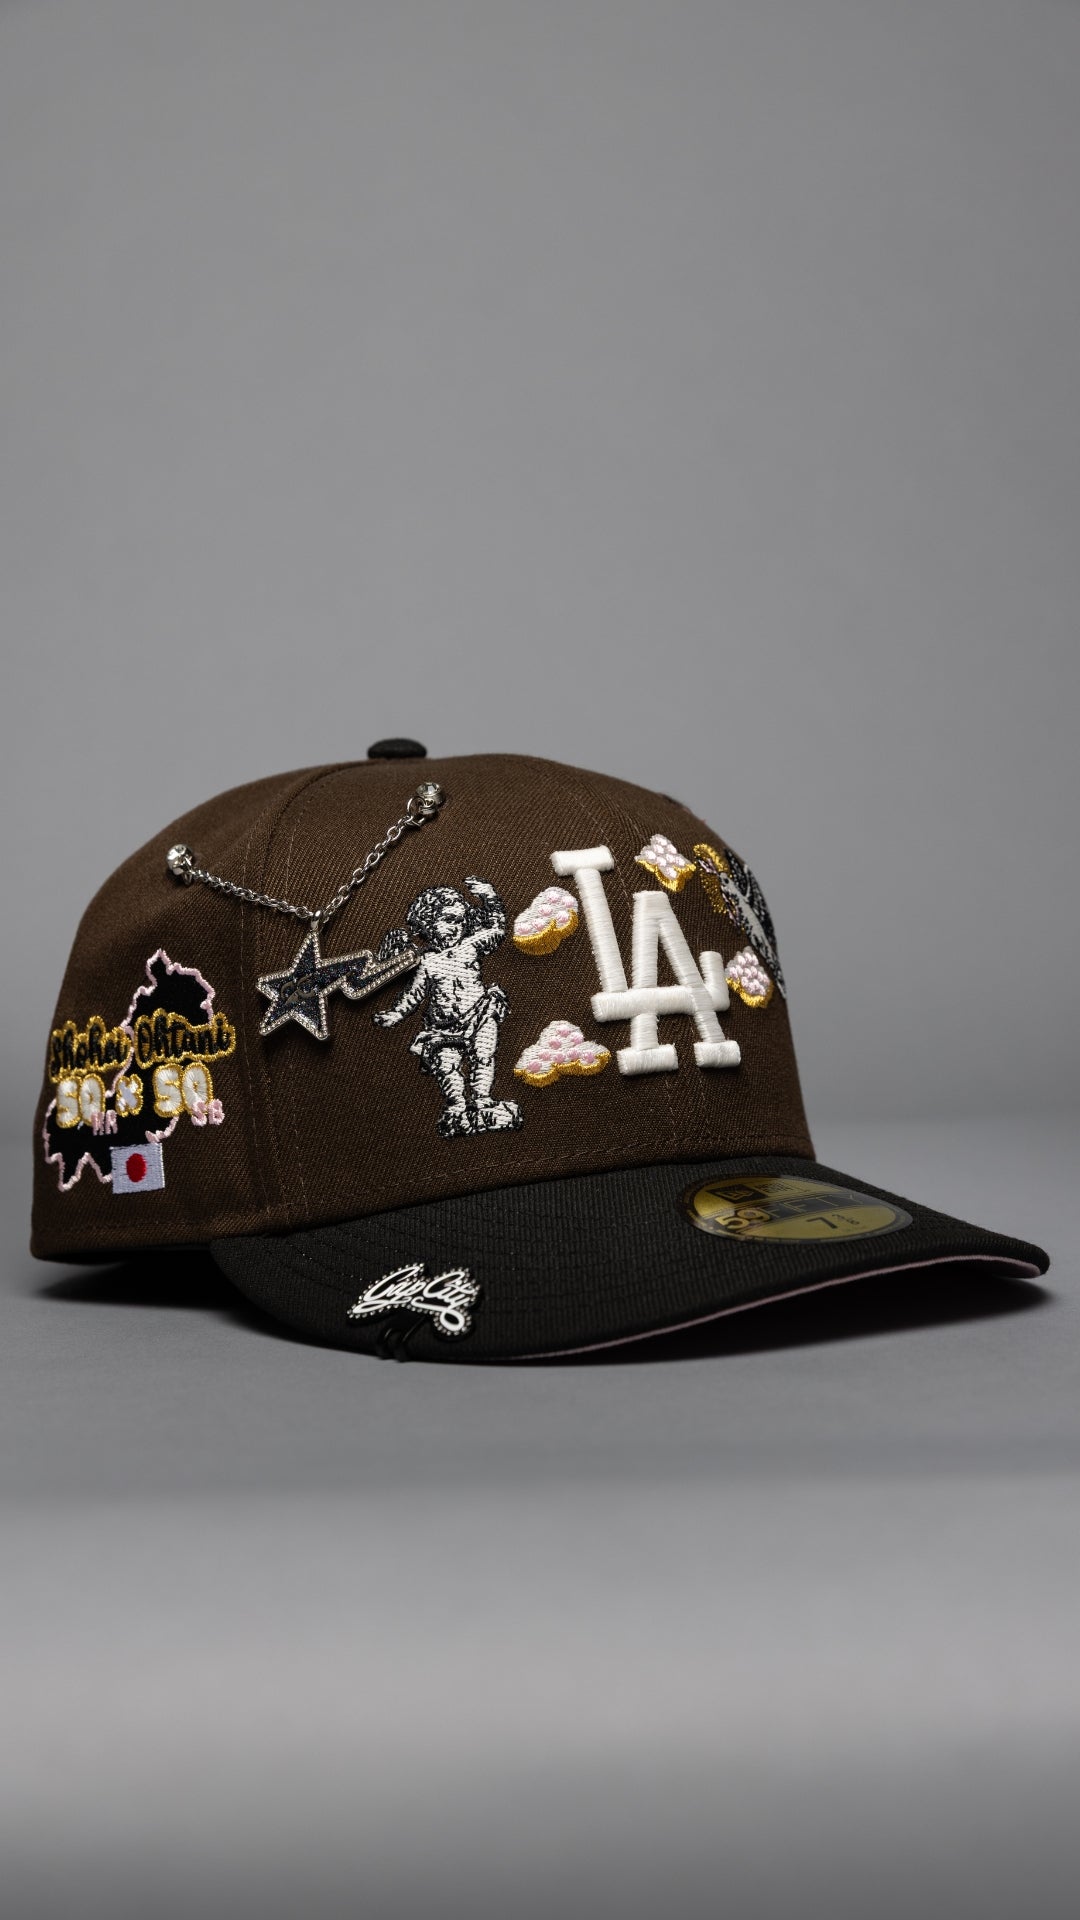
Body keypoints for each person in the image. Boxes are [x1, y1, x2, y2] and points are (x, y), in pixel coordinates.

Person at [373, 877, 523, 1137]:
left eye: (462, 920)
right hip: (443, 1027)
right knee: (446, 1064)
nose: (458, 926)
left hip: (480, 1013)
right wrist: (395, 1014)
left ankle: (482, 1099)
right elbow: (414, 994)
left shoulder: (470, 946)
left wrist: (489, 898)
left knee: (484, 1055)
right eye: (450, 920)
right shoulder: (426, 962)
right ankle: (457, 1105)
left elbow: (497, 930)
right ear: (428, 922)